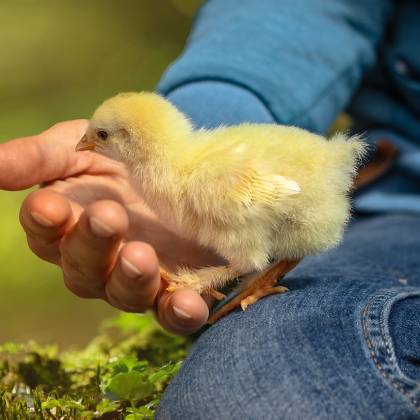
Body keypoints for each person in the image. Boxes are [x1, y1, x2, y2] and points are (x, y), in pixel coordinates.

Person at [1, 0, 419, 418]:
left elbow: (268, 205)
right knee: (246, 390)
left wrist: (196, 280)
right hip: (393, 208)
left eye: (102, 136)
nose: (88, 143)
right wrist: (219, 104)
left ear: (134, 140)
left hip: (302, 195)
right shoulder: (177, 168)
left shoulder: (198, 176)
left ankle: (218, 280)